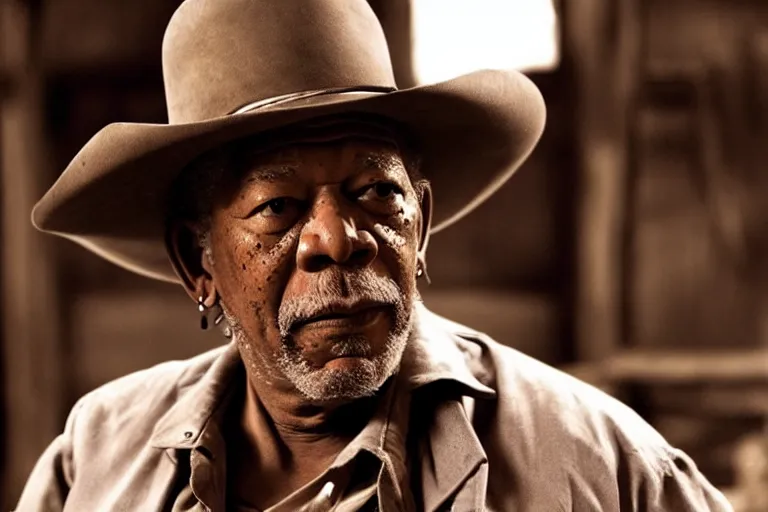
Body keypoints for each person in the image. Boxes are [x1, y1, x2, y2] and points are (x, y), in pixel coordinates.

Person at [17, 0, 733, 510]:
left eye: (374, 194)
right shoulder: (99, 457)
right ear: (197, 262)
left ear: (419, 225)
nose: (336, 239)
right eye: (278, 208)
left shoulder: (601, 466)